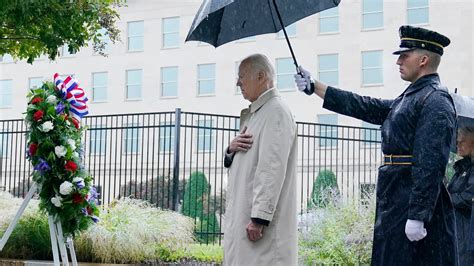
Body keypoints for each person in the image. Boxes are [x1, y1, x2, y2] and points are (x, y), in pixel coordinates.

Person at [294, 25, 457, 265]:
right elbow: (364, 105)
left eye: (405, 55)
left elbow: (431, 162)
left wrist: (419, 214)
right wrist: (315, 86)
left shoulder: (435, 100)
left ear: (423, 59)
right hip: (396, 193)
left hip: (409, 197)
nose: (398, 61)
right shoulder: (411, 96)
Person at [223, 53, 298, 265]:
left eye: (242, 76)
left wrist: (259, 217)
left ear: (261, 76)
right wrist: (230, 149)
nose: (238, 82)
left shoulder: (276, 112)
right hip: (245, 216)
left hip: (259, 227)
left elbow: (272, 167)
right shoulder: (258, 113)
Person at [448, 127, 474, 265]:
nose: (458, 145)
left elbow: (469, 198)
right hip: (457, 229)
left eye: (462, 142)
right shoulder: (462, 167)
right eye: (457, 142)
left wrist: (448, 199)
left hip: (468, 232)